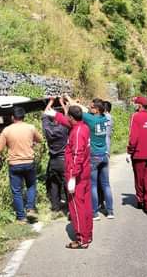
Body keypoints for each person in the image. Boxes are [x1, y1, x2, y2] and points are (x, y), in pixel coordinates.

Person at [50, 104, 92, 249]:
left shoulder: (78, 132)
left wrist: (73, 176)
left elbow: (77, 155)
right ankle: (88, 235)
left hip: (77, 175)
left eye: (68, 115)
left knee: (76, 207)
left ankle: (81, 239)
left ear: (72, 118)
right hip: (85, 173)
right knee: (86, 205)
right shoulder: (82, 126)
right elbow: (67, 122)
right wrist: (56, 115)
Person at [0, 107, 43, 223]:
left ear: (12, 117)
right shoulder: (30, 128)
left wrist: (3, 150)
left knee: (16, 190)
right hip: (29, 162)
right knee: (31, 186)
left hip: (14, 164)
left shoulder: (6, 130)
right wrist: (32, 142)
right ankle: (30, 208)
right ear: (24, 117)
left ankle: (21, 217)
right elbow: (40, 139)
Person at [75, 98, 113, 220]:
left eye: (92, 107)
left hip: (94, 156)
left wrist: (71, 101)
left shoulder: (91, 119)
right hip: (104, 155)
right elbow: (86, 110)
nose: (90, 109)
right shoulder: (105, 118)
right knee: (106, 184)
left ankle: (95, 212)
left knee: (93, 185)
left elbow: (79, 111)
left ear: (96, 110)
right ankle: (110, 211)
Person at [127, 96, 147, 216]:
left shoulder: (136, 117)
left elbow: (133, 137)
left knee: (139, 179)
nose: (134, 105)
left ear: (139, 106)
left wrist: (130, 151)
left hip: (139, 154)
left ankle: (140, 200)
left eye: (135, 104)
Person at [42, 97, 69, 214]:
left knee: (54, 184)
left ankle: (55, 207)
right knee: (67, 184)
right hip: (64, 160)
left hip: (52, 160)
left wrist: (51, 101)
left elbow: (44, 115)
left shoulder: (47, 128)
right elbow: (68, 117)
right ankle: (70, 208)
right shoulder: (64, 128)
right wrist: (63, 104)